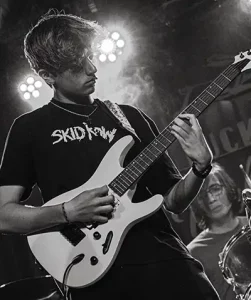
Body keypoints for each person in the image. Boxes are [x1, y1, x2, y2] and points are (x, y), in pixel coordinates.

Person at [0, 10, 219, 300]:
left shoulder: (130, 118)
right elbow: (4, 215)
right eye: (77, 66)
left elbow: (174, 201)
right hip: (93, 275)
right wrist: (66, 212)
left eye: (89, 56)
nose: (92, 68)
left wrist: (201, 167)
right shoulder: (28, 129)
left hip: (167, 261)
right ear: (47, 75)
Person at [187, 162, 247, 300]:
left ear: (229, 188)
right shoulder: (193, 253)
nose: (211, 199)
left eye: (215, 189)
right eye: (202, 195)